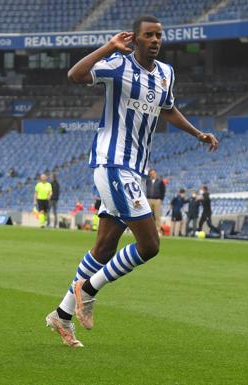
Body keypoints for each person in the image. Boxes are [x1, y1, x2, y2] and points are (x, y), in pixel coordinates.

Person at [45, 15, 219, 348]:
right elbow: (75, 75)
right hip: (112, 164)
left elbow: (167, 110)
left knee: (105, 247)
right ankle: (89, 291)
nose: (155, 40)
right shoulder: (116, 65)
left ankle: (61, 315)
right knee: (150, 245)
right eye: (149, 35)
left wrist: (197, 133)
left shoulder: (166, 74)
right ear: (135, 39)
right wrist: (108, 46)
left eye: (159, 36)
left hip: (134, 168)